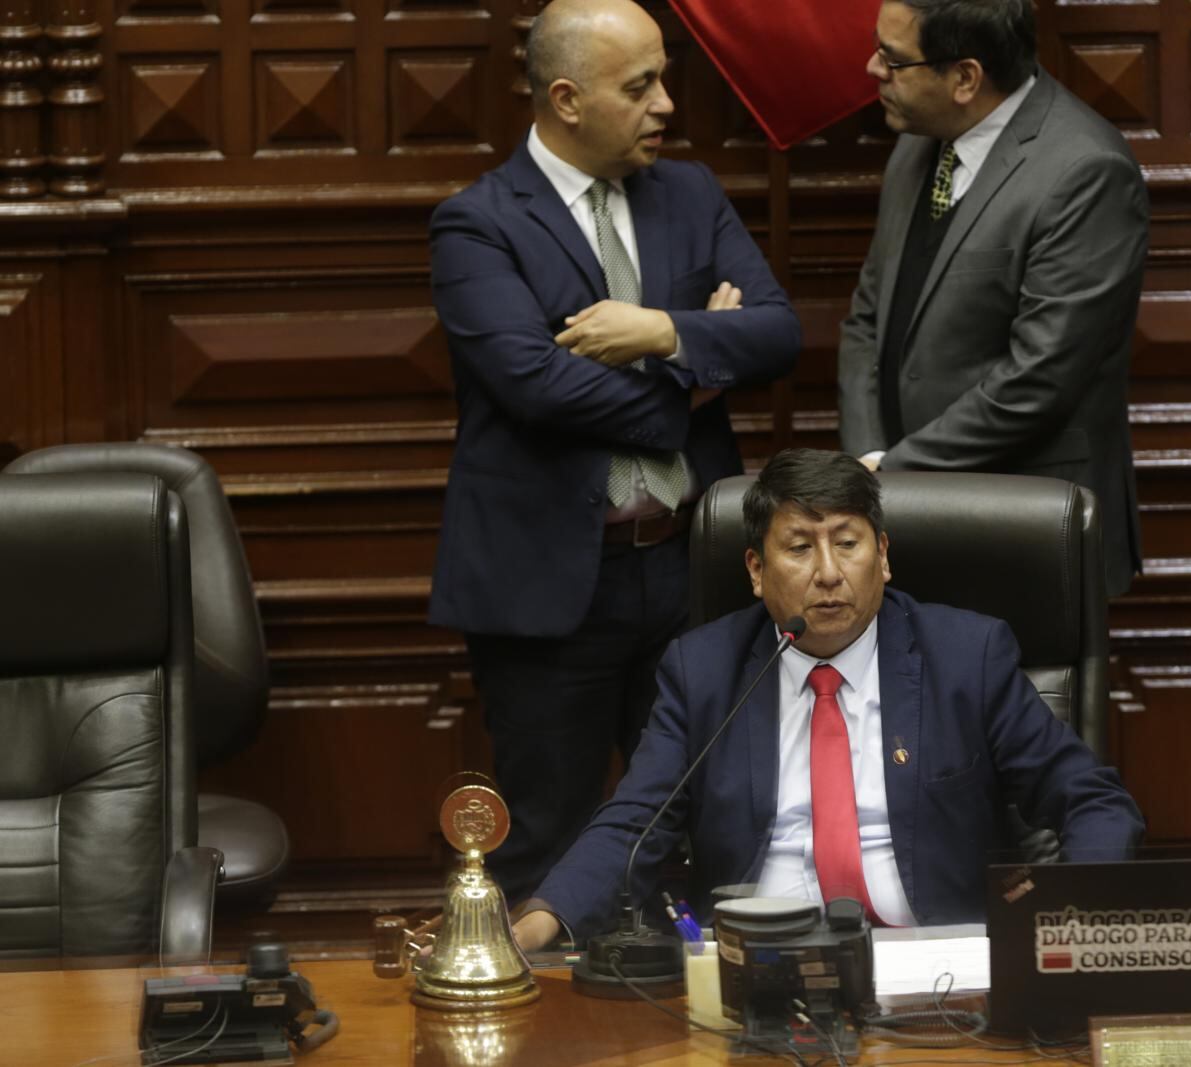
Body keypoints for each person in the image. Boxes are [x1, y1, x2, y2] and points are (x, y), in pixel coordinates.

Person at [427, 0, 801, 903]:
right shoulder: (476, 223)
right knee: (547, 840)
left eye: (662, 77)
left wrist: (653, 331)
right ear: (566, 99)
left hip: (690, 571)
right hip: (554, 584)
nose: (666, 104)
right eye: (640, 87)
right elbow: (534, 385)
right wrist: (694, 370)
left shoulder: (691, 193)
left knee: (710, 822)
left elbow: (778, 334)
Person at [514, 448, 1143, 948]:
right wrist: (539, 922)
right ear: (757, 571)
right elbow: (633, 824)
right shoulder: (704, 671)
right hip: (758, 963)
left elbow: (1094, 802)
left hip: (933, 968)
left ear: (884, 556)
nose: (829, 572)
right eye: (798, 548)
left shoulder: (965, 657)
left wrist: (1063, 927)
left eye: (848, 542)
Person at [837, 0, 1147, 596]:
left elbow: (1041, 377)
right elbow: (867, 320)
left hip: (1024, 522)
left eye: (894, 59)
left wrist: (894, 471)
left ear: (965, 78)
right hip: (901, 514)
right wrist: (868, 460)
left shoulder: (1086, 170)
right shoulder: (916, 145)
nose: (873, 69)